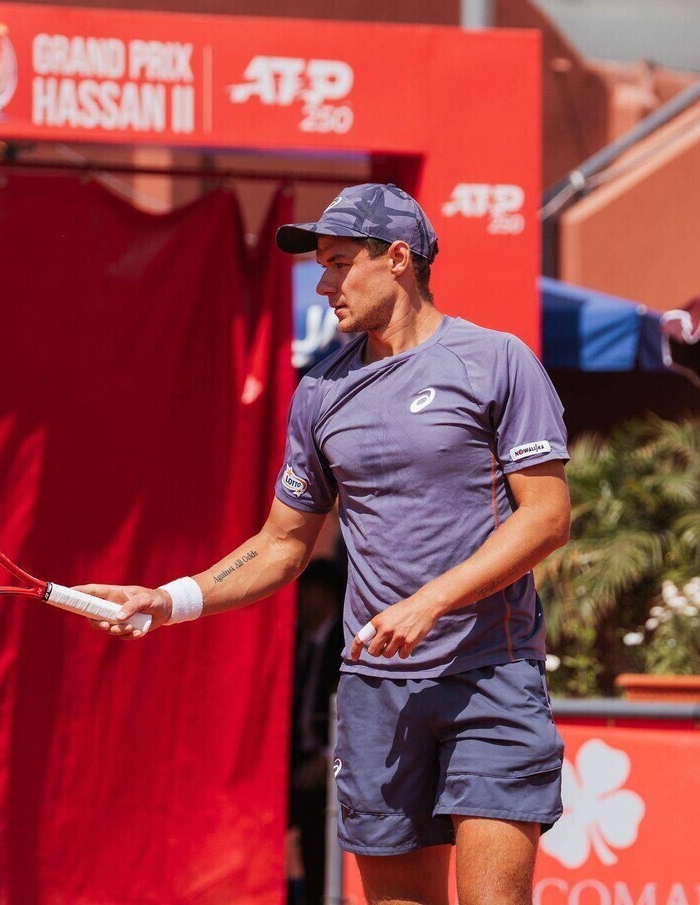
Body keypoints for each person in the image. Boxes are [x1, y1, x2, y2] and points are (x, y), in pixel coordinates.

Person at [80, 183, 571, 905]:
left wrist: (430, 603)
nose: (324, 282)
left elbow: (546, 518)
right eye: (322, 264)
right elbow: (282, 544)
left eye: (340, 262)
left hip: (489, 677)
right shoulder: (320, 393)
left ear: (398, 259)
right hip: (375, 692)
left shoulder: (496, 362)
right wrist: (169, 599)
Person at [288, 557, 345, 905]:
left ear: (322, 595)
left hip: (332, 767)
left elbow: (349, 710)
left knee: (322, 846)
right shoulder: (295, 641)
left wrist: (326, 758)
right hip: (298, 761)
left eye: (305, 591)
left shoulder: (345, 641)